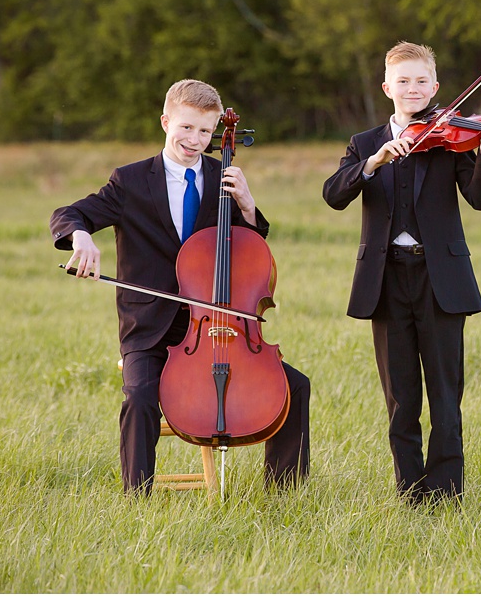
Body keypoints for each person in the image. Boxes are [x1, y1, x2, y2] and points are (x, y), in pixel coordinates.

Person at [50, 79, 310, 496]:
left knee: (294, 386)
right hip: (150, 328)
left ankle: (286, 494)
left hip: (213, 325)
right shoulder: (130, 181)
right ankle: (137, 496)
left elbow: (247, 247)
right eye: (186, 128)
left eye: (205, 132)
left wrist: (246, 205)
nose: (195, 139)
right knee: (139, 396)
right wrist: (79, 236)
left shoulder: (222, 176)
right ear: (166, 121)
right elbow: (72, 212)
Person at [322, 41, 481, 504]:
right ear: (387, 88)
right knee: (401, 397)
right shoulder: (365, 143)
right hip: (385, 281)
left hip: (439, 276)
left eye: (421, 81)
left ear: (436, 87)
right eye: (403, 81)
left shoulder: (454, 137)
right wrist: (375, 162)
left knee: (446, 395)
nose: (412, 89)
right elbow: (333, 194)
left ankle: (446, 495)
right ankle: (410, 492)